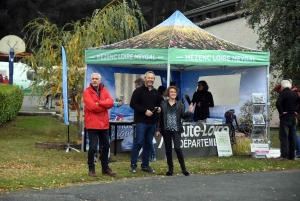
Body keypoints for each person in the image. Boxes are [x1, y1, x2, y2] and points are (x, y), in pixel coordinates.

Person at [156, 86, 194, 176]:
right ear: (168, 93)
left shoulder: (180, 104)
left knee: (177, 148)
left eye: (175, 92)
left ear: (176, 94)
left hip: (176, 129)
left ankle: (184, 169)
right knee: (168, 150)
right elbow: (159, 118)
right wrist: (158, 129)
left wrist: (189, 112)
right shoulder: (163, 104)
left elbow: (183, 116)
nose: (173, 93)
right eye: (171, 92)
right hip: (166, 129)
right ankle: (170, 169)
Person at [84, 73, 116, 177]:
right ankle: (91, 169)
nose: (94, 80)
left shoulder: (104, 90)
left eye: (96, 79)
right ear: (91, 80)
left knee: (106, 146)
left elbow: (111, 103)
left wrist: (99, 103)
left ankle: (105, 168)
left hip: (104, 125)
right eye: (93, 78)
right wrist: (104, 104)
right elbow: (92, 107)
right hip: (92, 124)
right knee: (93, 147)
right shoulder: (87, 92)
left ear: (100, 80)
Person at [129, 71, 162, 173]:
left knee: (148, 144)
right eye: (148, 78)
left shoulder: (156, 92)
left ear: (154, 80)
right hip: (141, 122)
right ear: (145, 79)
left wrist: (160, 108)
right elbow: (132, 104)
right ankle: (133, 164)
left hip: (151, 122)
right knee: (138, 142)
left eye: (152, 78)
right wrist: (144, 111)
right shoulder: (138, 91)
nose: (150, 80)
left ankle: (145, 165)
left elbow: (161, 103)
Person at [274, 79, 300, 159]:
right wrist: (297, 111)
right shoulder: (294, 94)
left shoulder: (283, 94)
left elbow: (278, 103)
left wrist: (281, 112)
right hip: (293, 116)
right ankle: (292, 156)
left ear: (282, 86)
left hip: (285, 116)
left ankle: (284, 155)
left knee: (284, 136)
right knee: (292, 136)